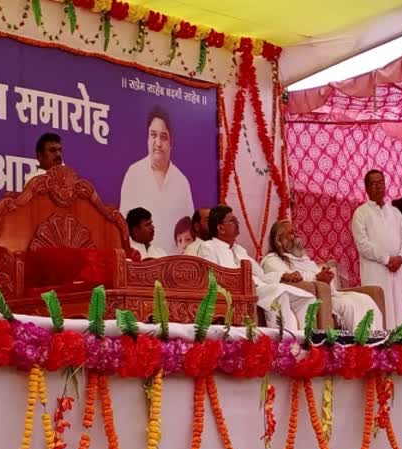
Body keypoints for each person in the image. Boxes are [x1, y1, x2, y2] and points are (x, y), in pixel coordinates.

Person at [197, 206, 315, 330]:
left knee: (306, 299)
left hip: (258, 288)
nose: (237, 223)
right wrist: (244, 281)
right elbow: (211, 278)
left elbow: (261, 276)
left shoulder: (239, 249)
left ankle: (305, 341)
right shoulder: (208, 247)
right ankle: (284, 342)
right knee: (280, 294)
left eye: (237, 220)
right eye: (232, 221)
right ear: (220, 228)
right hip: (237, 291)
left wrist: (283, 275)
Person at [262, 220, 384, 331]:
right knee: (350, 305)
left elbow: (316, 275)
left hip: (329, 295)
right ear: (279, 240)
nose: (297, 235)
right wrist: (317, 278)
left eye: (296, 232)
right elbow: (289, 278)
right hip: (310, 300)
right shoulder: (272, 260)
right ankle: (360, 345)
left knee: (364, 299)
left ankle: (376, 344)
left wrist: (326, 276)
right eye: (291, 233)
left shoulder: (303, 258)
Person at [119, 107, 194, 255]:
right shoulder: (134, 173)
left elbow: (188, 229)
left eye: (163, 137)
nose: (158, 143)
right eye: (153, 135)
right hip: (138, 259)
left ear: (171, 142)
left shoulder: (182, 182)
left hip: (173, 265)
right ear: (147, 138)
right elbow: (122, 225)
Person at [351, 169, 402, 329]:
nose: (379, 187)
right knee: (379, 311)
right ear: (366, 188)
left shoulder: (395, 212)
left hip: (397, 270)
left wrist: (400, 258)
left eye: (381, 183)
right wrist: (386, 259)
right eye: (374, 184)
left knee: (399, 310)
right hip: (376, 271)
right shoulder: (361, 213)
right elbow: (363, 245)